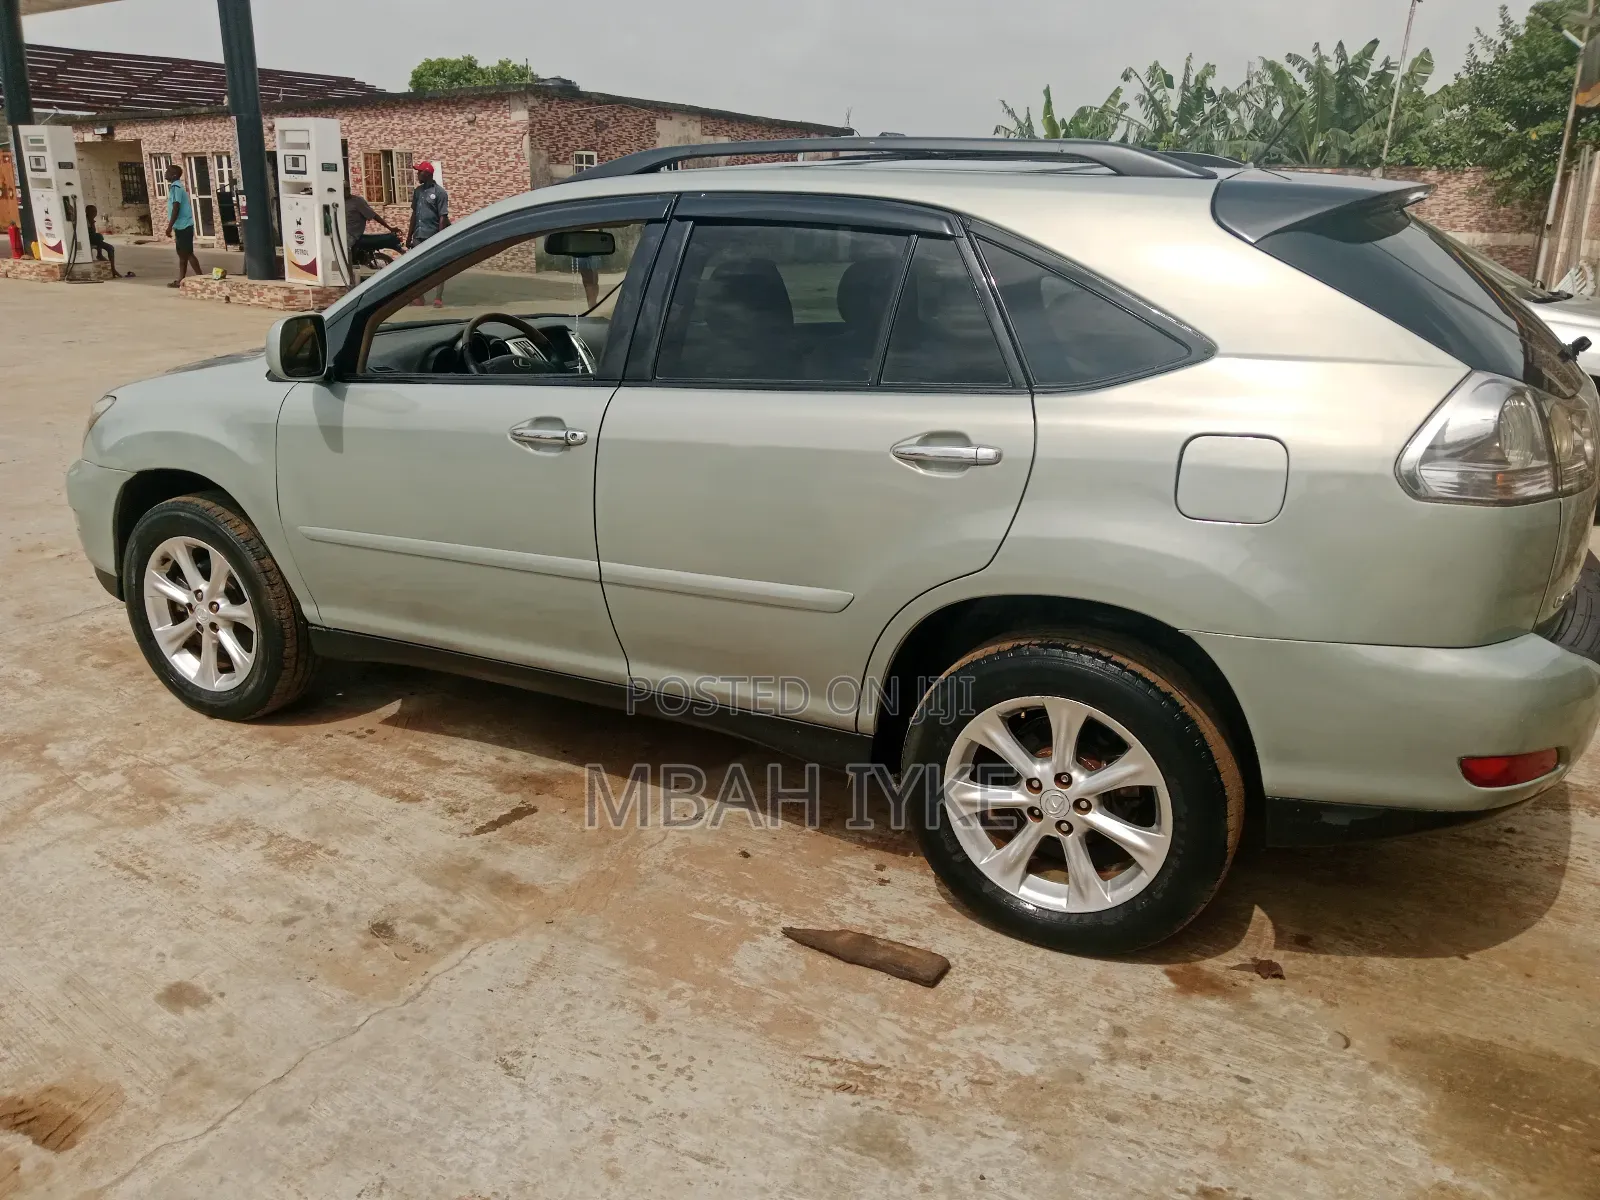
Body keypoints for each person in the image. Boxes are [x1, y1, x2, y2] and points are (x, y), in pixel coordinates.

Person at [406, 161, 450, 307]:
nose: (417, 174)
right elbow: (414, 214)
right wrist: (409, 235)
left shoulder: (440, 193)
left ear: (428, 174)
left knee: (437, 266)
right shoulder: (418, 191)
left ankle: (438, 297)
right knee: (417, 267)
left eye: (420, 172)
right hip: (418, 235)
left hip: (432, 234)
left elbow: (443, 216)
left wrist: (440, 238)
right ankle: (419, 297)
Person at [343, 183, 400, 280]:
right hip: (343, 233)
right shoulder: (338, 202)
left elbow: (373, 215)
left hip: (352, 235)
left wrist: (389, 228)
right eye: (344, 189)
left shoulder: (357, 201)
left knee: (343, 251)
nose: (346, 191)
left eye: (347, 188)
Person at [163, 164, 202, 287]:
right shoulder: (175, 187)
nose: (165, 172)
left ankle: (202, 278)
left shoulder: (176, 187)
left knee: (188, 253)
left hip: (184, 226)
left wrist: (169, 226)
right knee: (182, 254)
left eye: (168, 171)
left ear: (174, 175)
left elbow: (176, 207)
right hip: (180, 226)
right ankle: (181, 280)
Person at [84, 205, 120, 277]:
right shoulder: (84, 221)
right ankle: (100, 255)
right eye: (92, 211)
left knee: (109, 246)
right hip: (87, 240)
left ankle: (112, 268)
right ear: (87, 212)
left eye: (95, 211)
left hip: (94, 240)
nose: (94, 213)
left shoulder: (91, 221)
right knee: (101, 238)